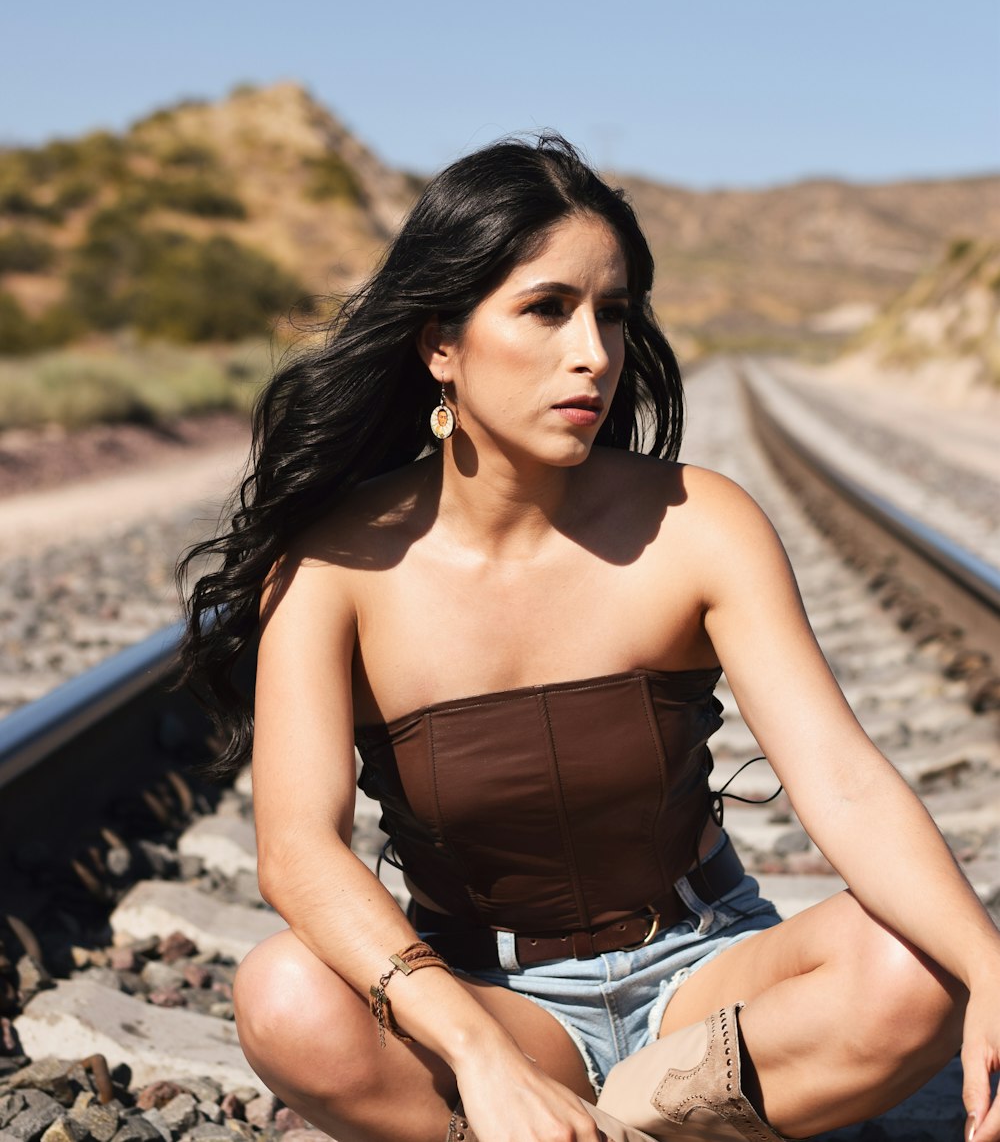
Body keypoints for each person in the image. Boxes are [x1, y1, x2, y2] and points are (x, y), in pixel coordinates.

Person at [178, 136, 1000, 1142]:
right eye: (546, 308)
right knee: (283, 993)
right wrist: (479, 1054)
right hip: (492, 998)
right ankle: (637, 1121)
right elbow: (298, 852)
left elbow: (841, 776)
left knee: (921, 964)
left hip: (707, 971)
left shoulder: (700, 522)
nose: (594, 353)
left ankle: (607, 1124)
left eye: (612, 313)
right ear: (441, 342)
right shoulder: (330, 571)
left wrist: (987, 961)